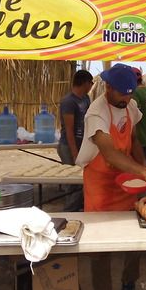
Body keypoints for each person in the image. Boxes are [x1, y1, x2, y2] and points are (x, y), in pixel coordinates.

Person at [76, 63, 146, 290]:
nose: (127, 100)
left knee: (134, 237)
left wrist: (144, 171)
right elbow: (109, 153)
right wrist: (145, 173)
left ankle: (129, 285)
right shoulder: (96, 113)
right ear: (108, 88)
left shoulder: (130, 106)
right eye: (122, 95)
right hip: (100, 183)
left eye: (130, 94)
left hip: (126, 180)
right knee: (100, 247)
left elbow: (134, 140)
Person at [57, 69, 93, 211]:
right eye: (91, 83)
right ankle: (69, 212)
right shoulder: (68, 102)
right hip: (69, 146)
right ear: (84, 83)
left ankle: (79, 208)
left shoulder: (85, 99)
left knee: (82, 180)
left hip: (82, 145)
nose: (91, 86)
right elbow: (69, 130)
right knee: (72, 182)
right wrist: (74, 153)